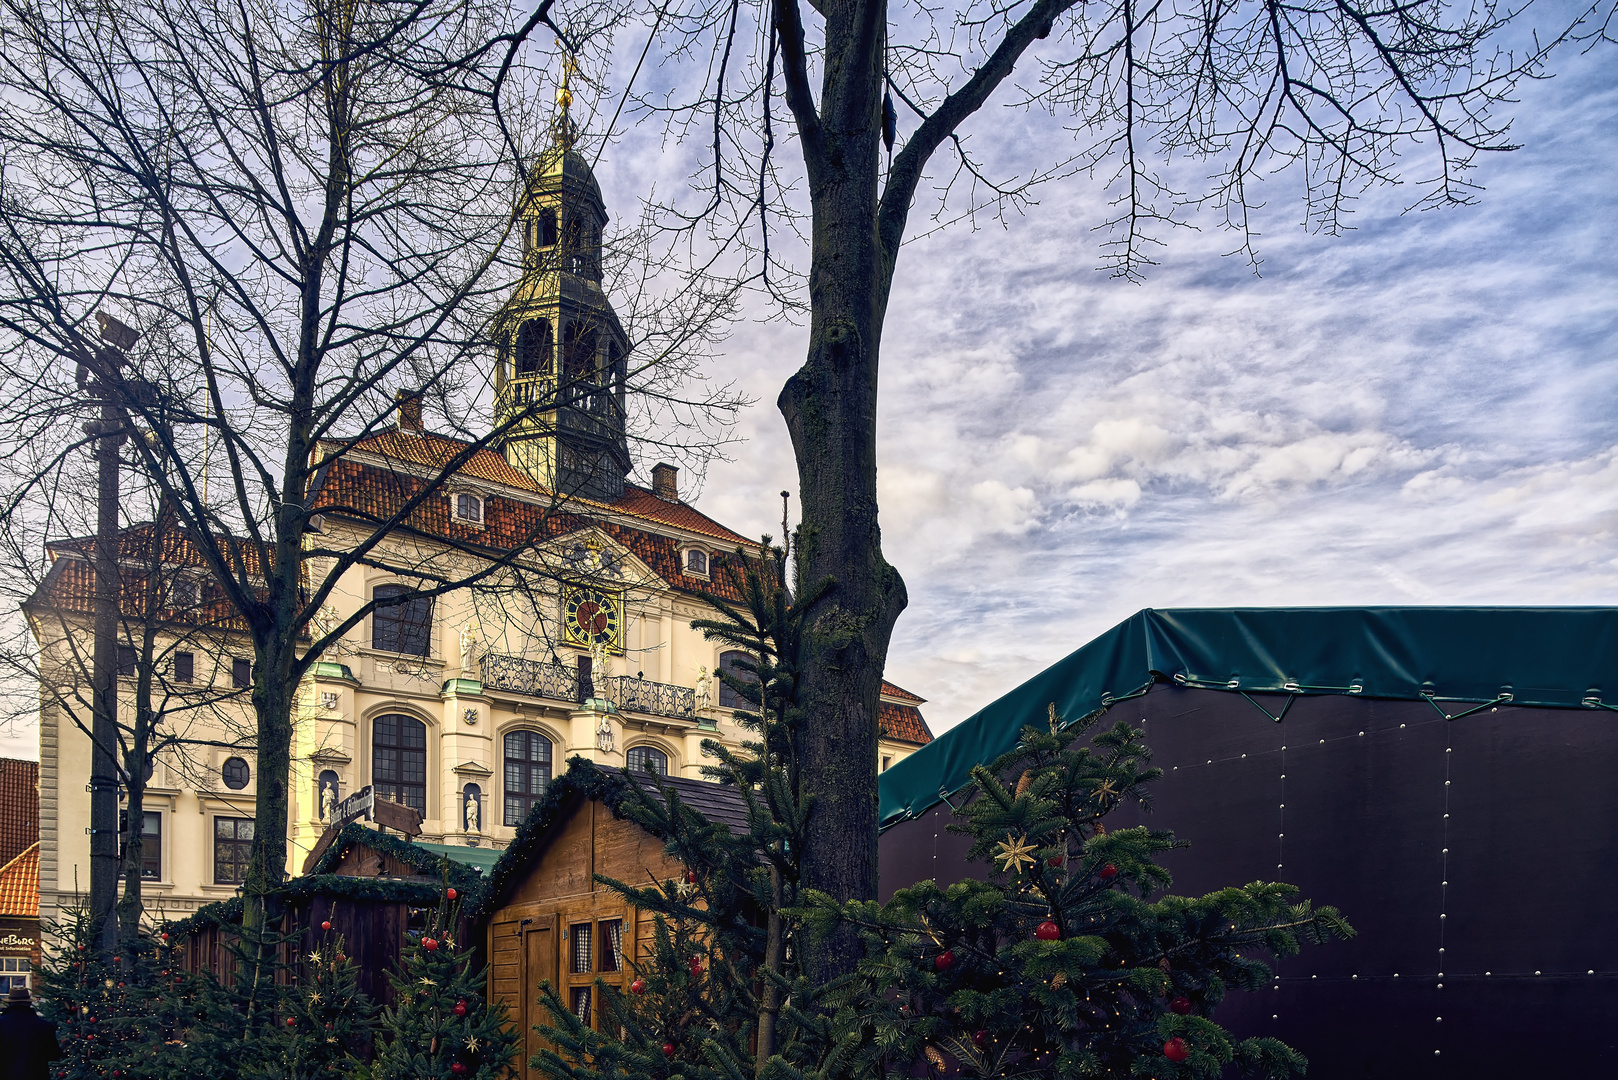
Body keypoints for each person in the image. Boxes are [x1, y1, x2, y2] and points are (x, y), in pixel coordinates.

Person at [0, 985, 62, 1080]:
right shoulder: (45, 1026)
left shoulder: (2, 1024)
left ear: (9, 1004)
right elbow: (53, 1054)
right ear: (29, 1004)